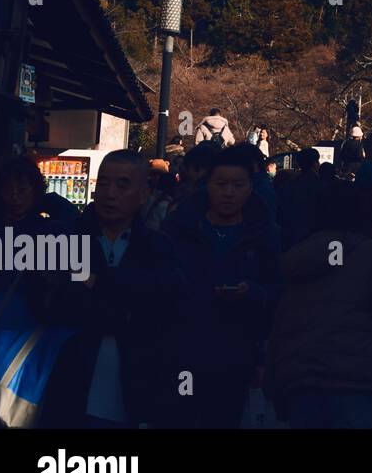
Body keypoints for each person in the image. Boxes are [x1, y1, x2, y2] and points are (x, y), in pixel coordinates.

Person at [267, 184, 372, 428]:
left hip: (300, 374)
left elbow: (281, 318)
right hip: (356, 376)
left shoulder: (298, 257)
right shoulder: (371, 254)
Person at [37, 151, 184, 428]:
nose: (109, 193)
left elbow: (165, 306)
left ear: (143, 194)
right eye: (103, 184)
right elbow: (53, 305)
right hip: (69, 386)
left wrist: (99, 285)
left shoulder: (159, 247)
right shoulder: (65, 243)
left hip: (137, 387)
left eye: (122, 185)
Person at [163, 146, 282, 428]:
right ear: (208, 186)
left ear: (250, 188)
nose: (229, 193)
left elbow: (278, 288)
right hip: (183, 348)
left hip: (236, 353)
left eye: (238, 185)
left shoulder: (264, 234)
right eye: (221, 184)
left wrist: (254, 293)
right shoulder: (180, 228)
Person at [275, 147, 326, 253]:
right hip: (312, 237)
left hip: (290, 235)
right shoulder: (320, 185)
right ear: (315, 163)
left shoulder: (289, 184)